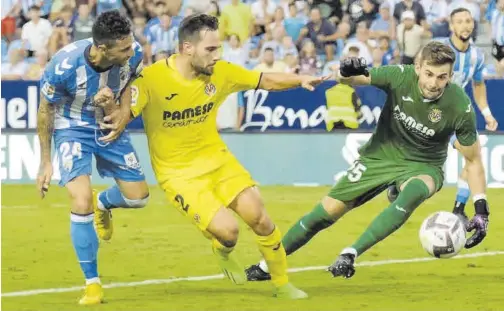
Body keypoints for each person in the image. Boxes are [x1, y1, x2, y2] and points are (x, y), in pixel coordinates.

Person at [103, 13, 326, 299]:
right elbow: (122, 117)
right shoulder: (151, 79)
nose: (217, 56)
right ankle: (222, 249)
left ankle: (282, 284)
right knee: (228, 232)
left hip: (218, 160)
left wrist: (300, 79)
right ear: (187, 48)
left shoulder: (220, 72)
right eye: (210, 49)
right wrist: (110, 104)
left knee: (260, 216)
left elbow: (264, 80)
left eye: (218, 48)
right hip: (178, 174)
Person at [246, 41, 490, 281]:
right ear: (417, 67)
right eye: (429, 74)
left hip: (424, 165)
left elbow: (473, 160)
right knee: (324, 213)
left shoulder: (460, 105)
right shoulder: (399, 76)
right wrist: (346, 71)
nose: (434, 83)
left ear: (450, 76)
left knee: (414, 191)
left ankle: (350, 253)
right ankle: (267, 266)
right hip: (379, 156)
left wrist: (481, 210)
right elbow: (353, 79)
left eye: (441, 77)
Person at [36, 10, 150, 305]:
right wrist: (46, 161)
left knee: (138, 197)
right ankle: (93, 284)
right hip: (72, 128)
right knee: (80, 199)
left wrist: (123, 113)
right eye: (123, 48)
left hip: (108, 123)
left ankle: (104, 203)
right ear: (101, 48)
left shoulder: (133, 53)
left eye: (131, 44)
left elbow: (129, 82)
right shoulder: (63, 65)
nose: (131, 50)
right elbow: (46, 110)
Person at [387, 8, 498, 221]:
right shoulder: (438, 48)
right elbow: (415, 74)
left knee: (472, 156)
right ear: (451, 26)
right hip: (425, 112)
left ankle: (459, 209)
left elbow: (478, 85)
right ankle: (397, 179)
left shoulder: (477, 55)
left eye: (468, 21)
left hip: (455, 116)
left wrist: (487, 113)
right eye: (459, 21)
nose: (465, 25)